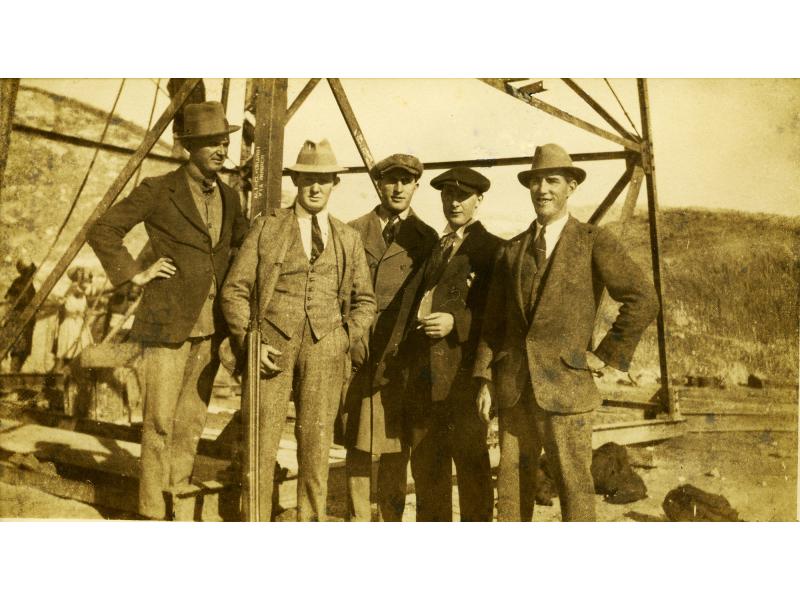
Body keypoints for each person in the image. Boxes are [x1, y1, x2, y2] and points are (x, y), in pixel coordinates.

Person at [473, 143, 659, 521]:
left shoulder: (593, 241)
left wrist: (606, 355)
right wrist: (484, 378)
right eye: (536, 181)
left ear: (571, 187)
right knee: (510, 492)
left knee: (575, 488)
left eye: (552, 181)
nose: (543, 190)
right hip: (514, 389)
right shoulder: (511, 251)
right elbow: (494, 324)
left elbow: (643, 297)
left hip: (567, 387)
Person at [87, 101, 249, 520]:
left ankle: (176, 499)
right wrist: (134, 274)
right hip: (167, 324)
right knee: (158, 422)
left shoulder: (230, 197)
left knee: (192, 420)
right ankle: (151, 513)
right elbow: (103, 229)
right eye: (212, 141)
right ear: (189, 146)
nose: (221, 148)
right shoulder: (159, 189)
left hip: (211, 328)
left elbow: (238, 248)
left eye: (225, 140)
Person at [221, 139, 376, 521]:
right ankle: (253, 522)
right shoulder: (267, 228)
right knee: (260, 443)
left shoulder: (347, 238)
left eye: (323, 179)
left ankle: (310, 522)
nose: (315, 187)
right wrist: (249, 341)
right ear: (296, 180)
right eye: (308, 178)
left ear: (334, 183)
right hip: (270, 348)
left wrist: (343, 338)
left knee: (316, 445)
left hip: (325, 349)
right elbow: (234, 290)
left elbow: (366, 302)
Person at [338, 153, 438, 521]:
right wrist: (351, 338)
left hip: (399, 358)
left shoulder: (426, 239)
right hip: (358, 351)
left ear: (416, 186)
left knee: (396, 445)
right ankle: (358, 519)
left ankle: (391, 520)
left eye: (406, 181)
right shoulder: (350, 231)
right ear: (379, 184)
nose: (398, 188)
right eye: (391, 180)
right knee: (358, 443)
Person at [402, 167, 501, 521]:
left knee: (472, 471)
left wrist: (455, 322)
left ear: (479, 200)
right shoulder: (434, 246)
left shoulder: (492, 250)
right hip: (424, 377)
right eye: (447, 195)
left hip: (462, 379)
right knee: (428, 471)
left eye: (463, 196)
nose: (454, 202)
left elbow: (497, 314)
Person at [3, 252, 37, 372]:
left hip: (27, 320)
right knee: (18, 349)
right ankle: (13, 374)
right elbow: (11, 298)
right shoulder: (19, 282)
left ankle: (15, 373)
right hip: (19, 318)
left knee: (24, 350)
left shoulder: (29, 283)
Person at [55, 266, 94, 368]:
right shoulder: (74, 287)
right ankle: (57, 379)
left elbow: (85, 303)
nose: (82, 276)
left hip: (79, 324)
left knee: (79, 355)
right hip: (70, 324)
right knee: (66, 354)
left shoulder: (82, 290)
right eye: (80, 274)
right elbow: (79, 292)